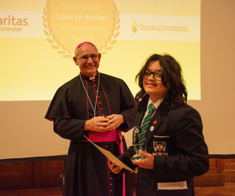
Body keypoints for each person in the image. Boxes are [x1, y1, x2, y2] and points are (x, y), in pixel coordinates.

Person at [108, 54, 209, 196]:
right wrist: (122, 162)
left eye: (158, 74)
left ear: (172, 79)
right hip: (145, 189)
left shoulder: (184, 114)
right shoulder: (142, 108)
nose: (150, 78)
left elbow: (199, 163)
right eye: (147, 73)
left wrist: (155, 162)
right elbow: (141, 148)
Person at [45, 42, 135, 196]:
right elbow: (59, 125)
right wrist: (86, 125)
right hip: (84, 155)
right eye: (84, 57)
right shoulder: (66, 89)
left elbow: (134, 110)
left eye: (93, 56)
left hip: (115, 150)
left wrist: (121, 118)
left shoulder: (117, 84)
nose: (90, 61)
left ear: (99, 57)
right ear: (75, 60)